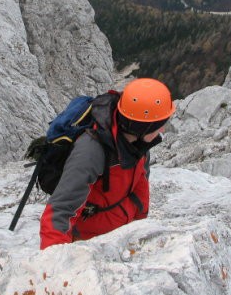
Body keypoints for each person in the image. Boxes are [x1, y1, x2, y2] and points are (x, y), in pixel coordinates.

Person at [39, 78, 176, 249]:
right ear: (143, 127)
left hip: (122, 234)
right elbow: (60, 212)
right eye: (159, 125)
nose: (162, 130)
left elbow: (141, 185)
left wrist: (140, 228)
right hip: (88, 243)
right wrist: (55, 263)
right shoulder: (91, 150)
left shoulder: (140, 144)